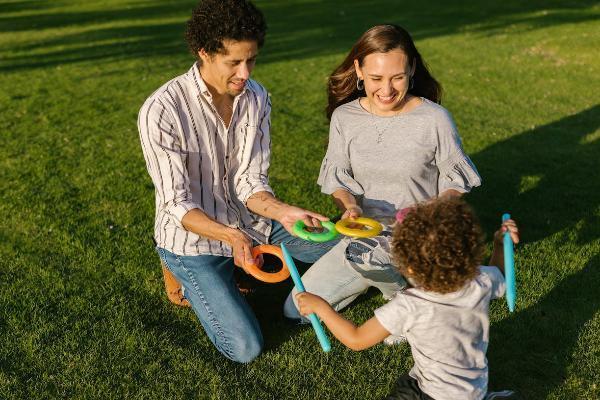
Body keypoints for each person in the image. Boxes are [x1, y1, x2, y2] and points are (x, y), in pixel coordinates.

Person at [137, 0, 335, 363]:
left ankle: (243, 274)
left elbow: (250, 181)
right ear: (204, 53)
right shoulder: (162, 109)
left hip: (252, 223)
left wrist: (285, 212)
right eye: (234, 62)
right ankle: (183, 273)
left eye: (252, 60)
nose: (245, 73)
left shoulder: (257, 97)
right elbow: (176, 203)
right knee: (245, 349)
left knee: (343, 246)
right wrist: (230, 237)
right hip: (192, 240)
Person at [284, 24, 482, 320]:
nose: (387, 90)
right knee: (295, 311)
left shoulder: (435, 119)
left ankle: (400, 300)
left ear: (412, 69)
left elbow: (455, 182)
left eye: (397, 77)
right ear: (359, 70)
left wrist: (433, 208)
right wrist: (349, 206)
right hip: (364, 234)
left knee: (381, 266)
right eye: (376, 78)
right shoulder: (345, 117)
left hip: (418, 238)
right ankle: (397, 291)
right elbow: (338, 179)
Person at [297, 198, 520, 400]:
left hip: (434, 394)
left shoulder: (411, 305)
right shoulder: (480, 280)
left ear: (409, 267)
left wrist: (322, 307)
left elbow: (357, 339)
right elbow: (502, 276)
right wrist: (500, 245)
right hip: (469, 387)